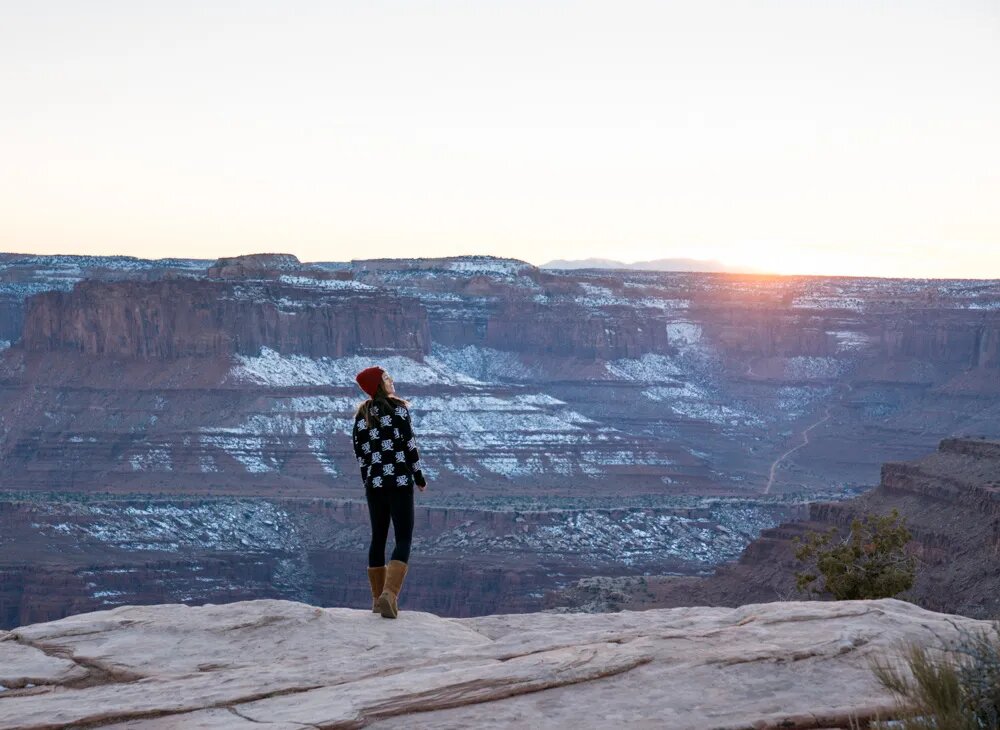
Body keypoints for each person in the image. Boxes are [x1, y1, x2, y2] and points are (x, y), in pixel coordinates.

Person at [352, 366, 427, 619]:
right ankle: (390, 595)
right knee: (403, 538)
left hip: (375, 484)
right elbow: (409, 445)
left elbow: (361, 455)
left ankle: (376, 600)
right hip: (399, 481)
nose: (391, 381)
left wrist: (369, 481)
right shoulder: (398, 410)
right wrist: (419, 478)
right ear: (377, 384)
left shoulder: (362, 415)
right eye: (385, 378)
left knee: (378, 538)